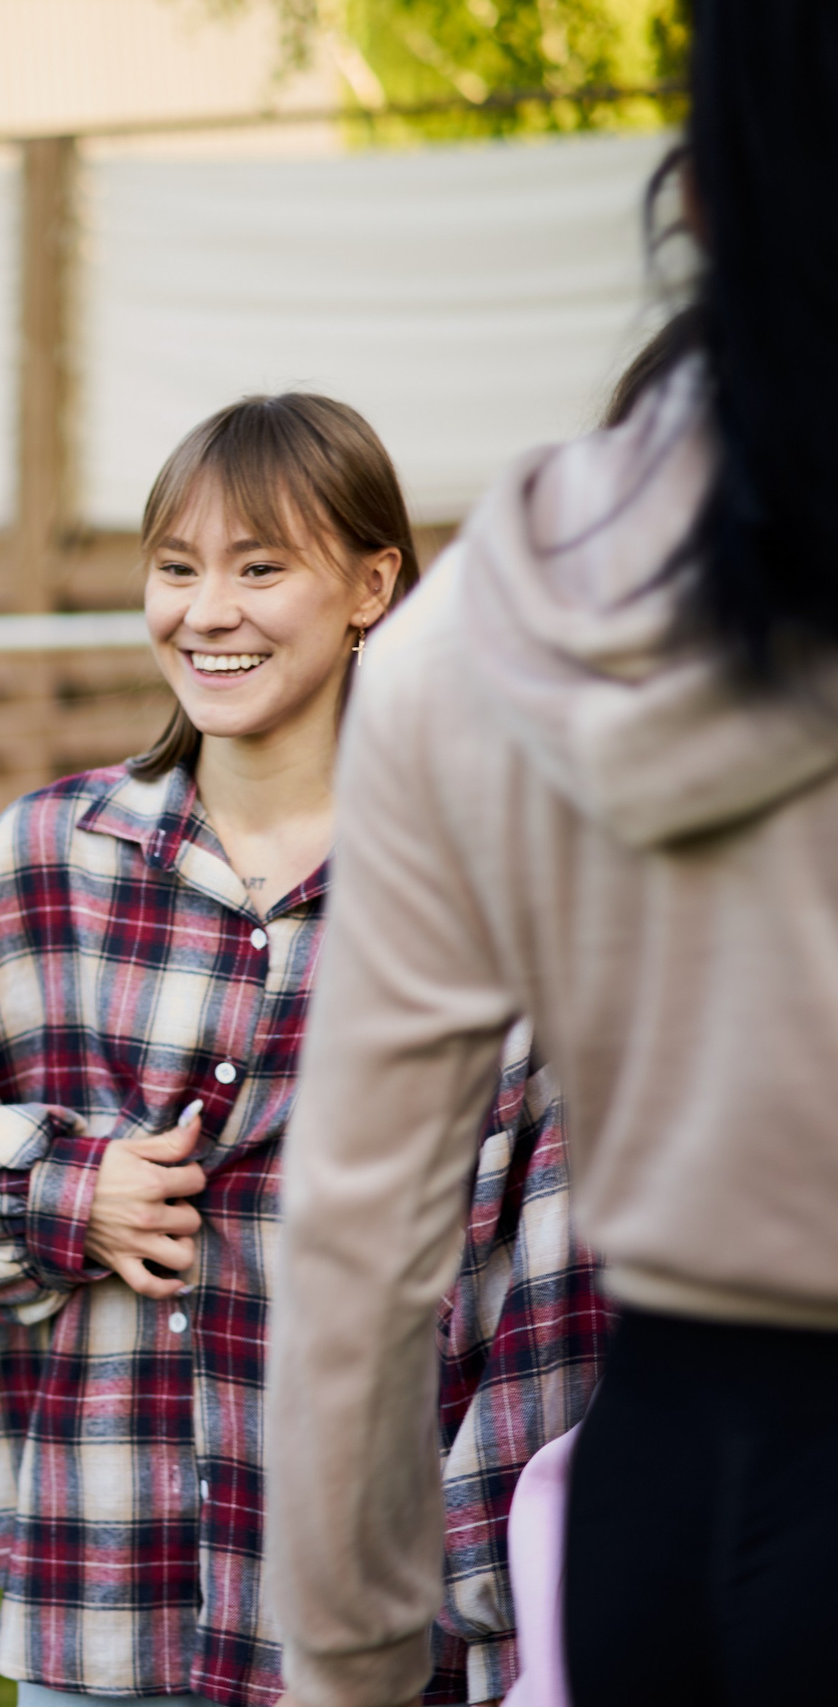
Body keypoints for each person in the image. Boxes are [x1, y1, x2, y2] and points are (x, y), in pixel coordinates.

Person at [0, 394, 603, 1707]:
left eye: (260, 568)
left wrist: (481, 1603)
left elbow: (550, 1293)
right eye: (176, 568)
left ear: (371, 586)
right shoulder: (41, 862)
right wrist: (67, 1191)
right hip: (103, 1585)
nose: (206, 613)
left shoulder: (490, 897)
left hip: (370, 1621)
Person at [266, 6, 838, 1703]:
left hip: (678, 1521)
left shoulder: (489, 627)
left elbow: (358, 1239)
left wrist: (352, 1667)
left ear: (699, 176)